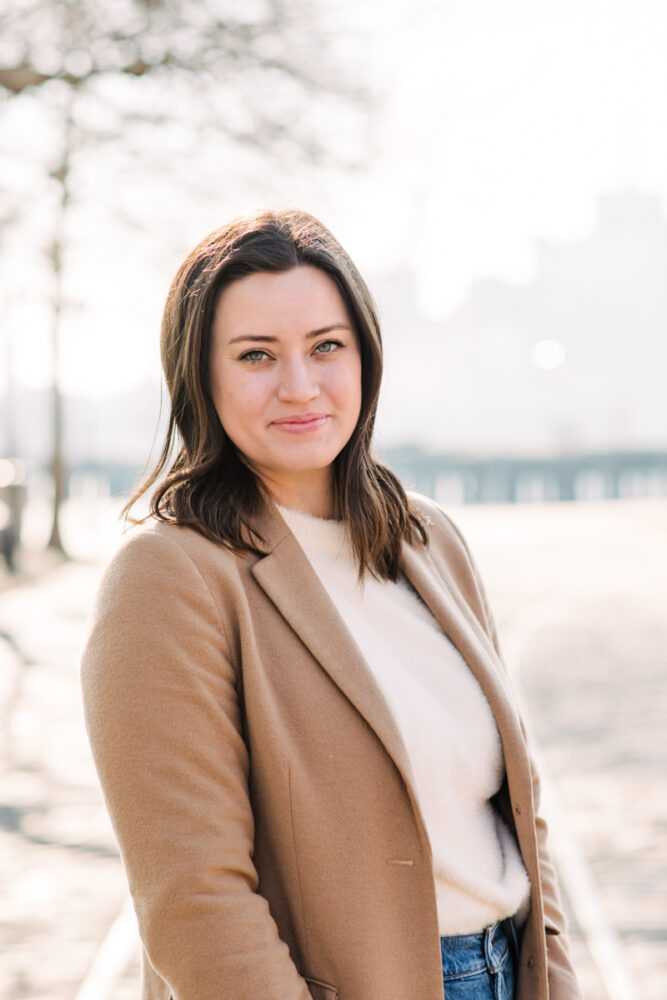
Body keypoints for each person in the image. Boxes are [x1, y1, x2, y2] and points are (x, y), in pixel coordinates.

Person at [81, 208, 581, 1000]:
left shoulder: (429, 539)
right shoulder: (169, 578)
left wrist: (552, 974)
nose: (299, 386)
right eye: (255, 355)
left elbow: (518, 815)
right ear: (199, 377)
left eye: (326, 347)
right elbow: (192, 898)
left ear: (365, 358)